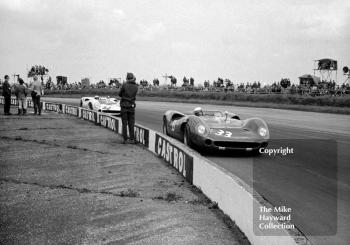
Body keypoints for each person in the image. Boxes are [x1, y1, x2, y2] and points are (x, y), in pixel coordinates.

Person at [118, 73, 138, 144]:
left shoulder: (124, 85)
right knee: (131, 123)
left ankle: (125, 139)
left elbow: (119, 94)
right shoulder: (136, 86)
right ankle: (132, 138)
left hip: (124, 106)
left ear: (127, 78)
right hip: (131, 106)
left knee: (124, 123)